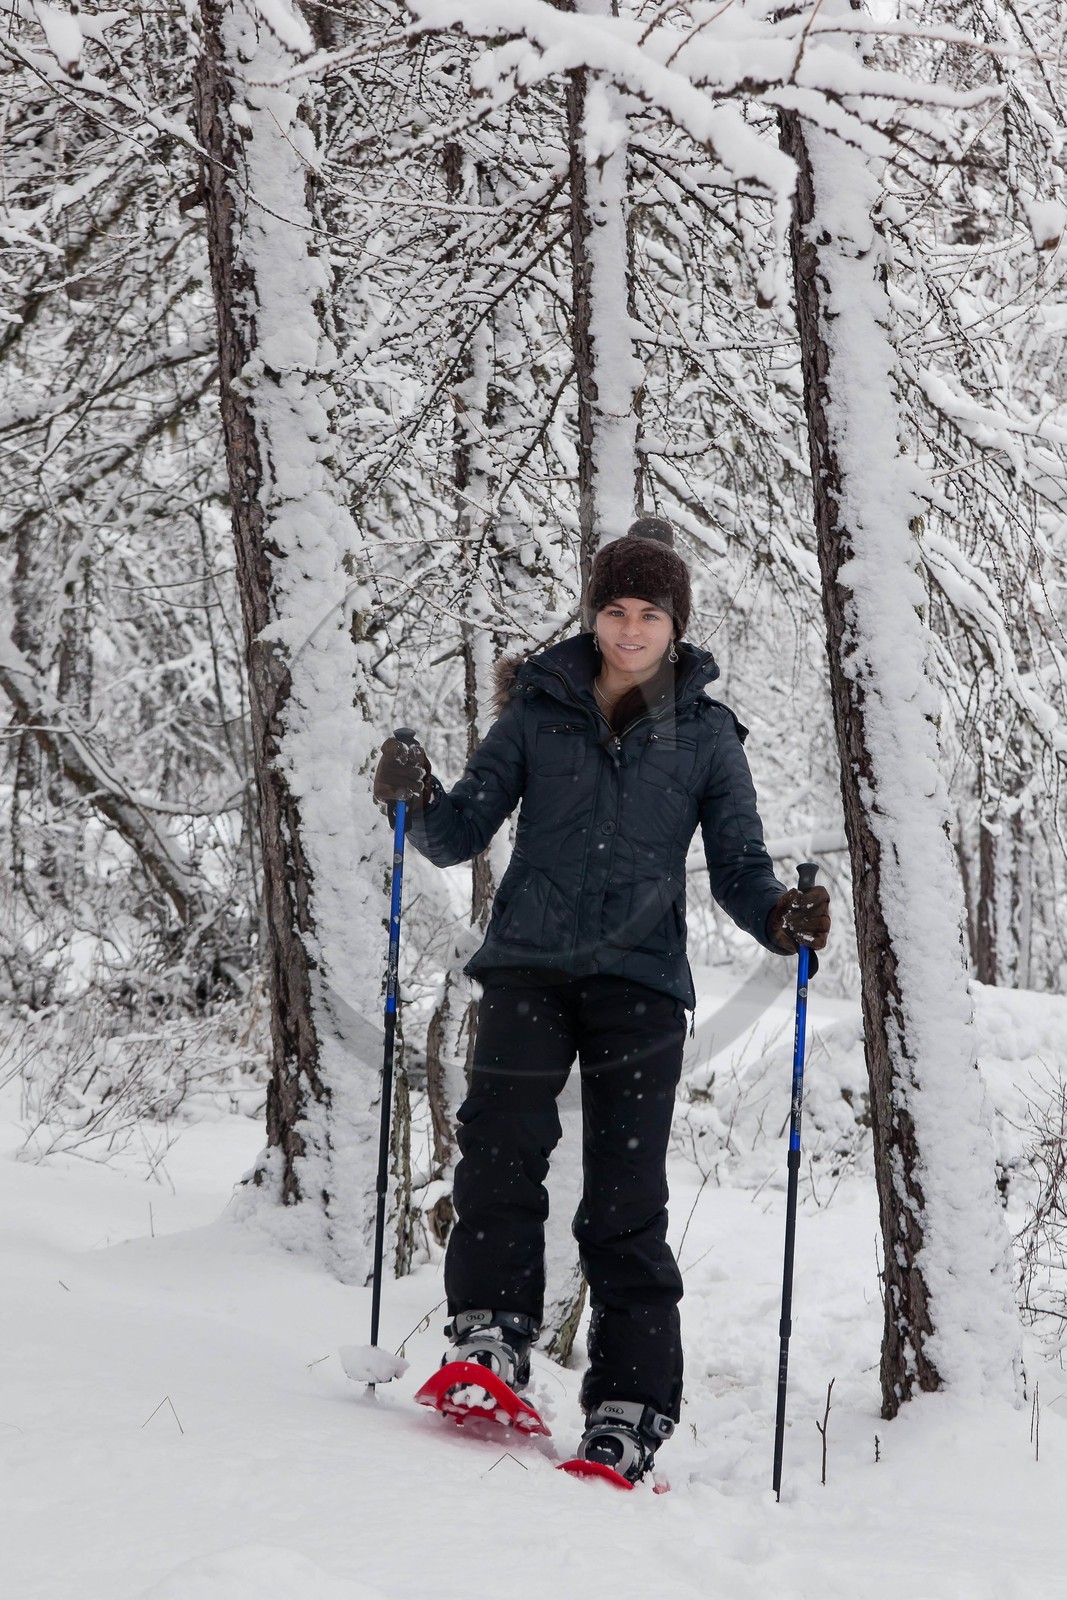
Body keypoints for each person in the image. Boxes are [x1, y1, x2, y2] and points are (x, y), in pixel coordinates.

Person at [373, 518, 830, 1482]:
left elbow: (739, 866)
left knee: (625, 1197)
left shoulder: (706, 735)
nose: (629, 630)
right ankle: (487, 1341)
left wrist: (780, 919)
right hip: (527, 969)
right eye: (615, 610)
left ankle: (630, 1405)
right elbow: (459, 835)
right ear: (594, 614)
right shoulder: (538, 709)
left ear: (675, 625)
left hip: (641, 985)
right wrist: (414, 800)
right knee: (499, 1151)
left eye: (648, 614)